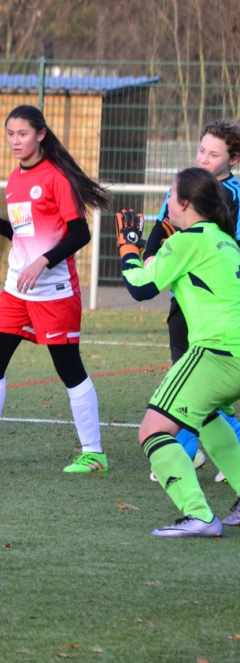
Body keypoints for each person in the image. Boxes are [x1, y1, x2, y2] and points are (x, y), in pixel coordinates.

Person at [0, 105, 112, 473]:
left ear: (40, 134)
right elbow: (22, 234)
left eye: (22, 133)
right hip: (16, 290)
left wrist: (43, 262)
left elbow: (80, 233)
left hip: (54, 291)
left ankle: (94, 453)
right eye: (10, 134)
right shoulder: (14, 179)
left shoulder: (56, 178)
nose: (15, 140)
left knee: (69, 368)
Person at [119, 167, 240, 537]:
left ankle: (200, 517)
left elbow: (140, 287)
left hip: (216, 354)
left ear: (185, 203)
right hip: (232, 355)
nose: (167, 203)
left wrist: (127, 249)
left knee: (152, 430)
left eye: (170, 196)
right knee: (206, 416)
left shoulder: (188, 241)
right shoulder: (225, 240)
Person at [144, 119, 240, 482]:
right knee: (191, 378)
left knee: (197, 382)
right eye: (202, 150)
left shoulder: (229, 195)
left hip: (213, 304)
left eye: (214, 154)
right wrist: (151, 257)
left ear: (233, 159)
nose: (204, 159)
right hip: (185, 298)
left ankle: (194, 451)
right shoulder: (185, 186)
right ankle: (190, 450)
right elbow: (160, 230)